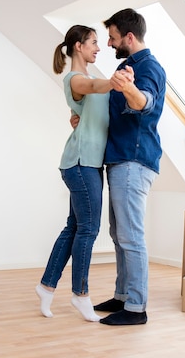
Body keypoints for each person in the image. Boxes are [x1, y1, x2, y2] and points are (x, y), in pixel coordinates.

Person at [36, 25, 124, 322]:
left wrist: (81, 115)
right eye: (94, 43)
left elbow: (94, 106)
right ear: (78, 46)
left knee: (74, 227)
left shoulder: (90, 79)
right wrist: (114, 82)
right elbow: (94, 88)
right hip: (80, 162)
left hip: (87, 162)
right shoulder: (76, 79)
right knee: (88, 229)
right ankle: (80, 294)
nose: (98, 48)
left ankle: (46, 287)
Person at [93, 8, 167, 326]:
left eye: (112, 37)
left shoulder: (148, 67)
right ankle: (123, 296)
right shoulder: (126, 67)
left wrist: (129, 89)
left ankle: (136, 308)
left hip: (134, 161)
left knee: (131, 235)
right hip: (120, 159)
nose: (109, 43)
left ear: (129, 36)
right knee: (118, 233)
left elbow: (144, 103)